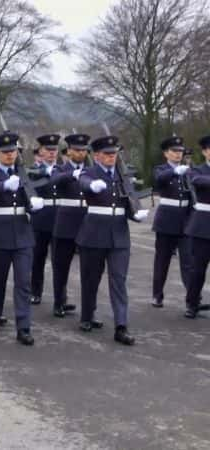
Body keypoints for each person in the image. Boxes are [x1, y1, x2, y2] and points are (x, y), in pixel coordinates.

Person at [76, 135, 148, 345]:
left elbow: (129, 203)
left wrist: (135, 214)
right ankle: (87, 315)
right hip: (94, 233)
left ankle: (121, 326)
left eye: (114, 154)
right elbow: (82, 181)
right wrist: (92, 186)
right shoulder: (90, 172)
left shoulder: (122, 175)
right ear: (97, 155)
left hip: (119, 235)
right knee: (91, 279)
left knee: (119, 281)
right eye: (107, 154)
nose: (111, 157)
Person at [0, 131, 44, 345]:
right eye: (5, 152)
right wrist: (5, 185)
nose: (10, 155)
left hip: (23, 235)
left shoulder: (24, 174)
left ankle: (23, 327)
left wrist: (35, 205)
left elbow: (33, 194)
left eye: (13, 151)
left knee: (23, 282)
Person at [49, 133, 90, 317]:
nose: (81, 153)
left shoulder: (92, 169)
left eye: (83, 150)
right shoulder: (60, 169)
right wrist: (72, 175)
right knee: (61, 266)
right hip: (66, 224)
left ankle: (89, 309)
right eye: (77, 150)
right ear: (69, 151)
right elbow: (55, 181)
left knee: (89, 269)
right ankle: (59, 302)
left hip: (88, 223)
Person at [150, 135, 192, 308]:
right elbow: (159, 181)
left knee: (189, 261)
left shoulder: (189, 170)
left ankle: (192, 298)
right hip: (166, 220)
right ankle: (157, 295)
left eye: (180, 151)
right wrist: (174, 171)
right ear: (166, 153)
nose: (178, 154)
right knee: (162, 260)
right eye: (174, 151)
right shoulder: (161, 169)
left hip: (187, 220)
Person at [29, 134, 59, 305]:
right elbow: (30, 177)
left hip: (59, 218)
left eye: (54, 150)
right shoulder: (34, 171)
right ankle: (35, 291)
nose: (52, 153)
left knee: (59, 262)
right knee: (37, 259)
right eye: (48, 150)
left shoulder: (61, 169)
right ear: (41, 151)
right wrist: (44, 172)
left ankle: (60, 298)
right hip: (40, 219)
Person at [183, 135, 210, 318]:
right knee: (198, 268)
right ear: (205, 152)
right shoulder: (197, 171)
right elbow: (198, 181)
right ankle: (192, 303)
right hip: (203, 226)